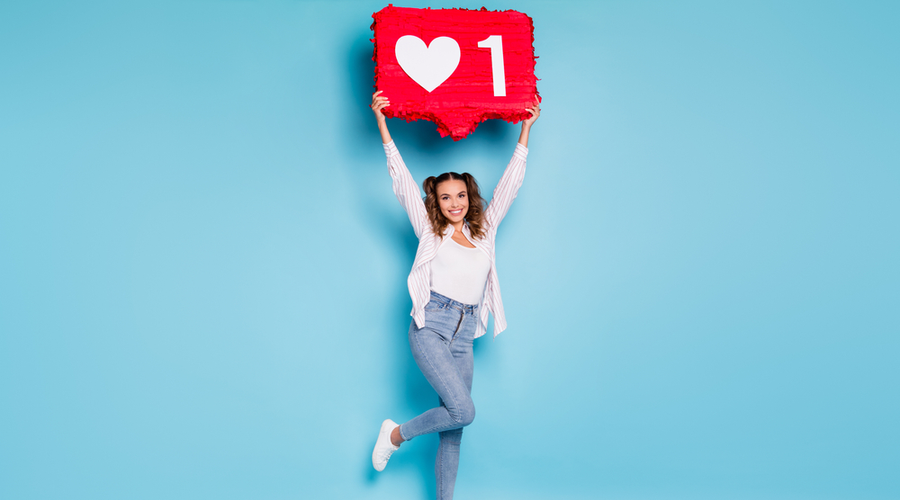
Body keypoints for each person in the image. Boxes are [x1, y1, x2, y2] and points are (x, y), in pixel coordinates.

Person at [369, 90, 540, 500]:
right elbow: (402, 182)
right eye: (446, 198)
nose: (455, 203)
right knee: (463, 410)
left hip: (464, 336)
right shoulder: (431, 232)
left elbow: (509, 188)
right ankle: (394, 434)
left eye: (460, 195)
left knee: (455, 428)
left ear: (469, 197)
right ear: (437, 203)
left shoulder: (485, 233)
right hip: (431, 327)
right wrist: (382, 124)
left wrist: (526, 131)